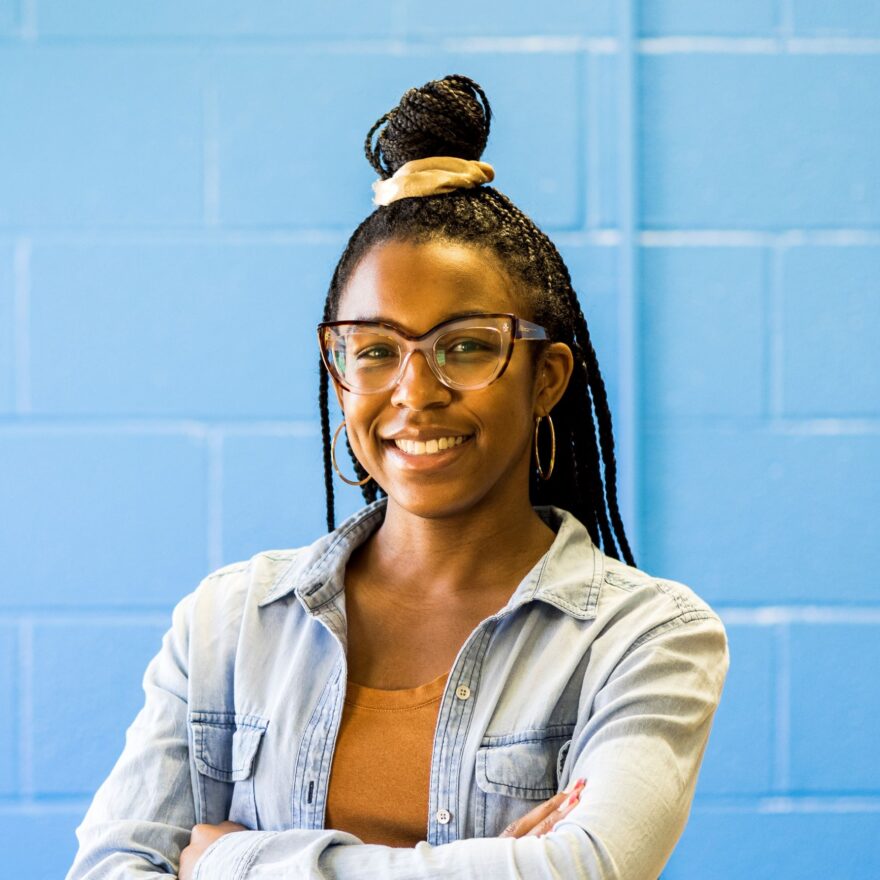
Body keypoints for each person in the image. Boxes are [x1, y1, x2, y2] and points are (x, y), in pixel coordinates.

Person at [66, 74, 729, 880]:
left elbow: (585, 869)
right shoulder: (228, 627)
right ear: (339, 370)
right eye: (376, 350)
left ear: (547, 377)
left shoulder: (645, 638)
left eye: (467, 346)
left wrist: (232, 861)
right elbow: (109, 869)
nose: (416, 392)